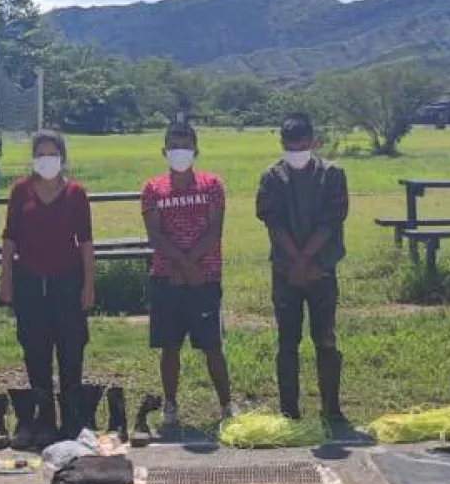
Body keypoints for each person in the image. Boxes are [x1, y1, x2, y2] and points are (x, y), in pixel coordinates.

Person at [0, 130, 96, 448]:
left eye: (52, 154)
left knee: (71, 349)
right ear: (33, 159)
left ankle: (73, 417)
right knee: (35, 350)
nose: (47, 160)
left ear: (62, 157)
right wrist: (6, 276)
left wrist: (89, 284)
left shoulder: (76, 194)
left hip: (67, 282)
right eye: (41, 154)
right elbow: (9, 238)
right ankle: (43, 418)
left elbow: (86, 243)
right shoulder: (20, 192)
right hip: (29, 281)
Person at [255, 113, 350, 423]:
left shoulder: (332, 175)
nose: (296, 151)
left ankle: (331, 408)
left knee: (325, 339)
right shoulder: (271, 177)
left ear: (313, 142)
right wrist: (295, 262)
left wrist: (305, 261)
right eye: (289, 146)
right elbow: (274, 223)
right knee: (287, 341)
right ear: (282, 145)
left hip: (321, 270)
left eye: (301, 145)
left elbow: (330, 222)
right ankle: (289, 410)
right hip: (286, 272)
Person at [141, 118, 233, 428]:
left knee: (211, 346)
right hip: (167, 279)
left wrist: (193, 266)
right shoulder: (153, 189)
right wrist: (182, 266)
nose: (179, 150)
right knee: (170, 347)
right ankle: (170, 406)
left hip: (204, 279)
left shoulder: (212, 186)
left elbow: (214, 231)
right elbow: (156, 236)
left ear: (196, 150)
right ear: (164, 150)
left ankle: (226, 406)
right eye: (173, 145)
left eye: (185, 145)